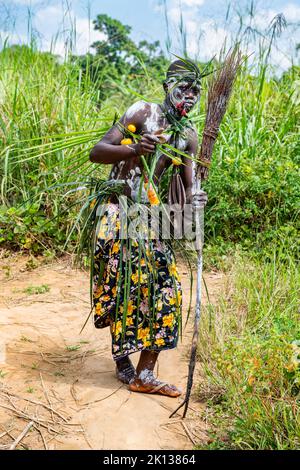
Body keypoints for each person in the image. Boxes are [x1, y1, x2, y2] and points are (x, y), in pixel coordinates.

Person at [89, 59, 207, 397]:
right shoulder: (142, 113)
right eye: (183, 88)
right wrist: (133, 147)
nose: (189, 96)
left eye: (195, 90)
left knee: (164, 288)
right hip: (118, 210)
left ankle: (145, 373)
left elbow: (190, 182)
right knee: (121, 288)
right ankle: (122, 359)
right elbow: (96, 152)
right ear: (166, 86)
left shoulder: (188, 135)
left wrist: (197, 197)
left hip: (149, 218)